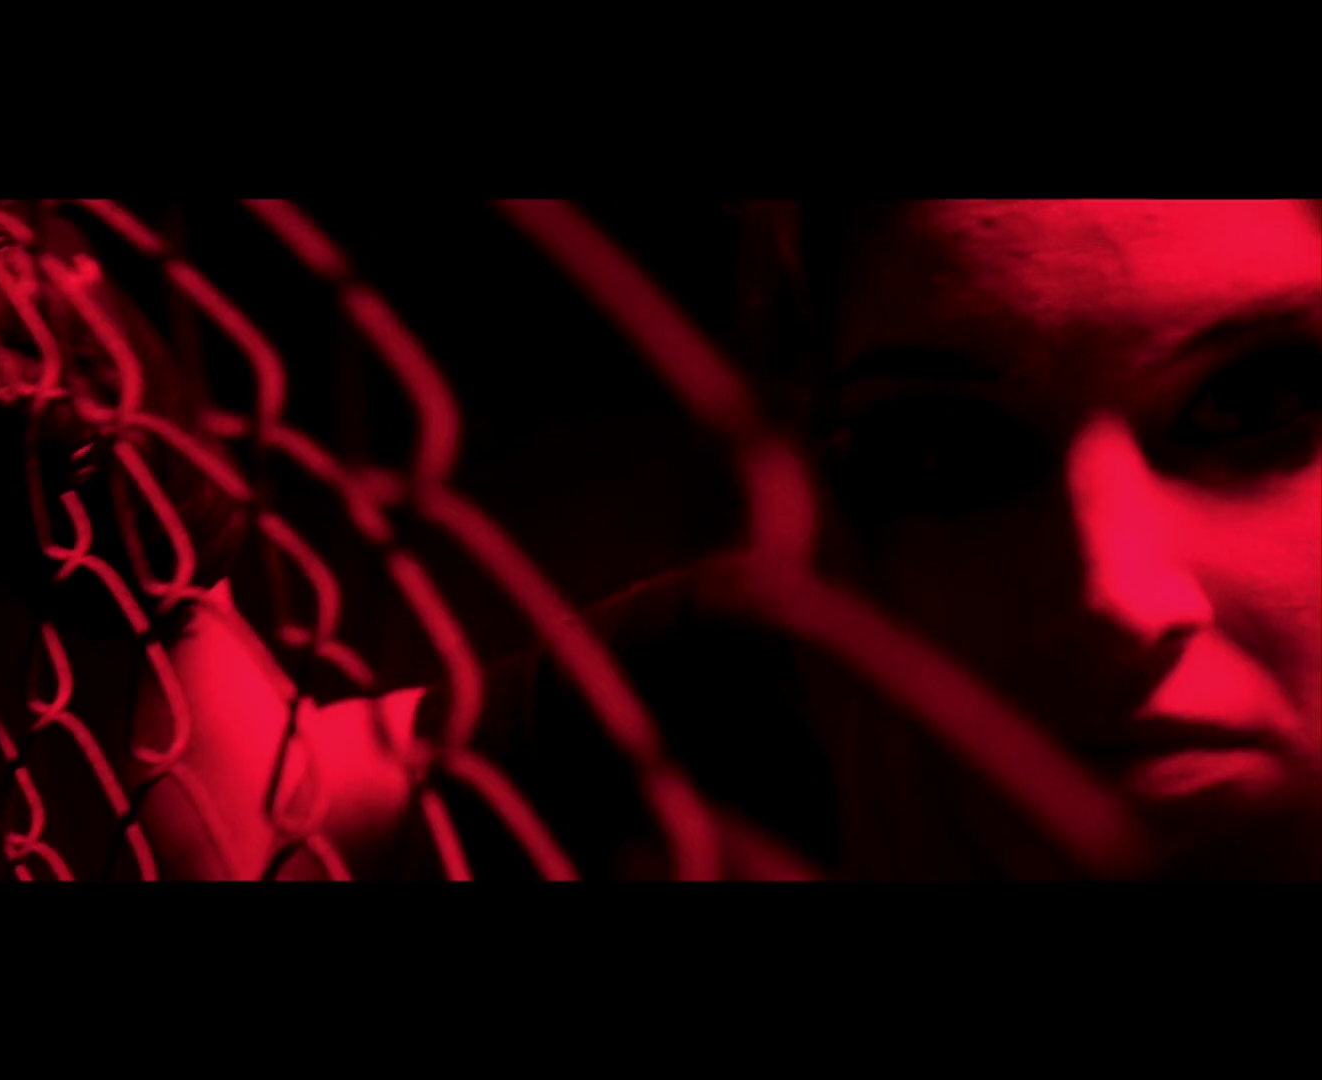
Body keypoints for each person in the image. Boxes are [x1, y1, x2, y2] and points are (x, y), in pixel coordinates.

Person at [141, 199, 1322, 881]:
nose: (1117, 595)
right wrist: (146, 490)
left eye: (1258, 404)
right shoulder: (816, 668)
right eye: (940, 452)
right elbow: (276, 814)